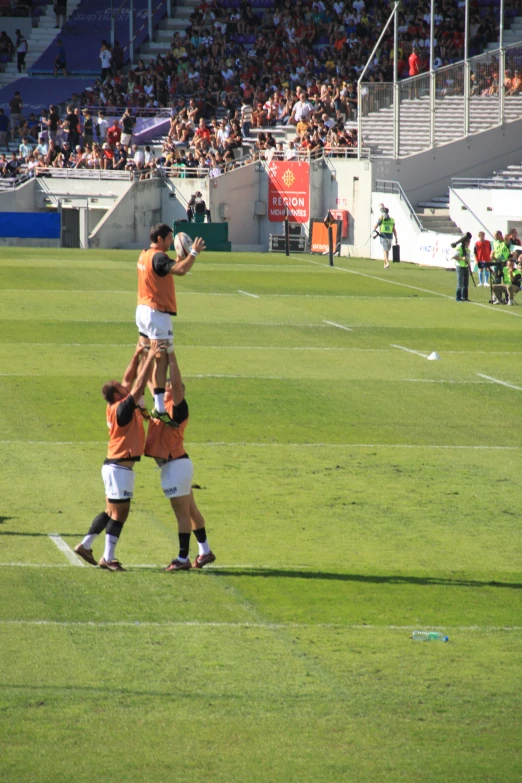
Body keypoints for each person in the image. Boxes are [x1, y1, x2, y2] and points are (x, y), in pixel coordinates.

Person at [74, 340, 159, 571]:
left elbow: (128, 379)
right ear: (118, 394)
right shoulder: (123, 408)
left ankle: (86, 545)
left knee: (110, 511)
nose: (125, 386)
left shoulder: (114, 405)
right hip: (120, 468)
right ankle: (108, 557)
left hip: (113, 465)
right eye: (122, 388)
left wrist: (137, 354)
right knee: (120, 514)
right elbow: (138, 385)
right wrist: (150, 356)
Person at [145, 349, 216, 571]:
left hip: (175, 465)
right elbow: (150, 382)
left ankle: (183, 558)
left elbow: (173, 383)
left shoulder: (179, 409)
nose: (174, 390)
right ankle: (204, 552)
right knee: (191, 511)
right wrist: (146, 356)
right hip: (176, 465)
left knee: (182, 514)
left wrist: (172, 356)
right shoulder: (160, 407)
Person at [136, 223, 205, 424]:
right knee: (162, 358)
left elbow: (166, 268)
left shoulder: (145, 254)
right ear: (159, 239)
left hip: (142, 308)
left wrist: (179, 258)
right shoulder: (158, 257)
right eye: (168, 239)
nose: (170, 241)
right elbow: (180, 271)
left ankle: (140, 399)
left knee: (146, 353)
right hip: (156, 313)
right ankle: (158, 407)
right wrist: (193, 253)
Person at [373, 204, 398, 269]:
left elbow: (394, 229)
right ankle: (387, 262)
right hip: (383, 236)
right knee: (385, 249)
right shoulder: (381, 218)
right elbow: (375, 226)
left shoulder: (391, 220)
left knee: (387, 250)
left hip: (390, 236)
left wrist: (396, 238)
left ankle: (385, 263)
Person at [452, 234, 472, 302]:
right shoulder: (459, 248)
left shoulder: (468, 250)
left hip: (466, 267)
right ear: (465, 242)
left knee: (466, 283)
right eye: (468, 242)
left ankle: (465, 297)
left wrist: (470, 269)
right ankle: (458, 297)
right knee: (460, 283)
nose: (469, 243)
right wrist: (461, 258)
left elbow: (468, 260)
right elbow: (454, 257)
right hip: (460, 266)